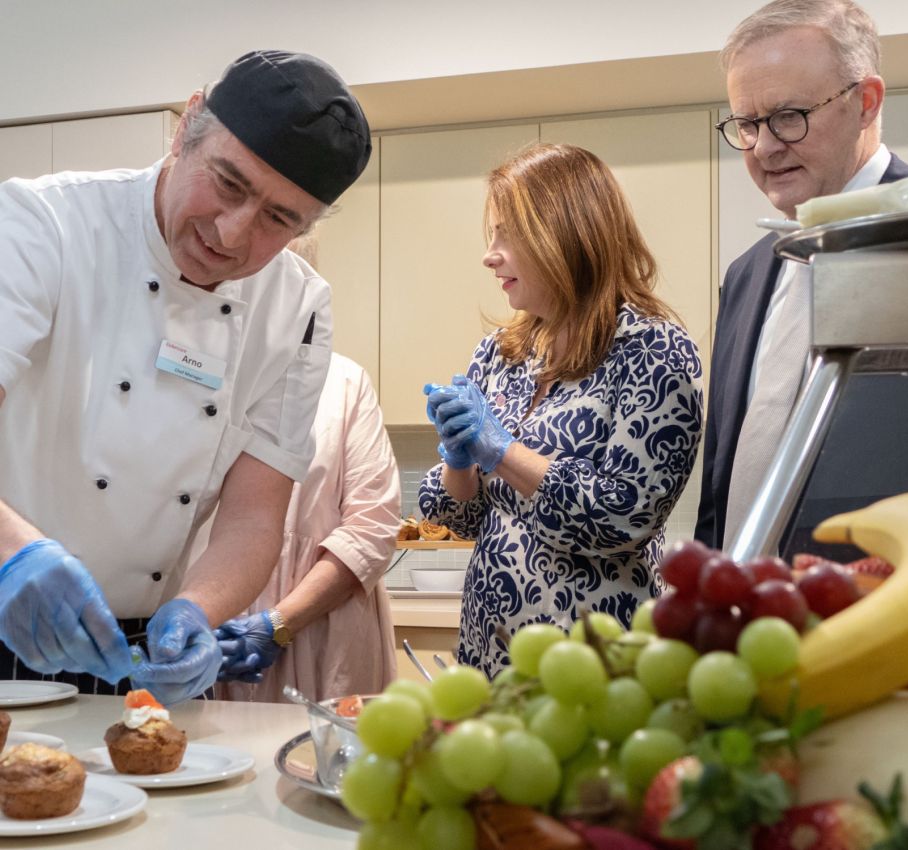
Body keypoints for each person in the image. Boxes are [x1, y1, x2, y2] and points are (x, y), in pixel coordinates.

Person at [0, 50, 371, 704]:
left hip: (142, 659)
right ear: (187, 127)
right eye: (228, 183)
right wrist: (13, 553)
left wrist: (199, 609)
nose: (231, 235)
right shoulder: (44, 226)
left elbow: (255, 516)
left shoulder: (299, 308)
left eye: (279, 220)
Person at [420, 142, 704, 678]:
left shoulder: (653, 349)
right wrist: (460, 459)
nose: (490, 254)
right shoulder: (503, 352)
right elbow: (457, 514)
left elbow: (622, 517)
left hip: (595, 664)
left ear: (565, 234)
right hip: (490, 651)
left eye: (508, 234)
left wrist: (502, 451)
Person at [695, 0, 908, 551]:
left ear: (866, 102)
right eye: (747, 124)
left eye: (789, 117)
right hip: (749, 619)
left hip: (887, 606)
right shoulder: (745, 276)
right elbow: (723, 478)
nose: (765, 147)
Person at [212, 236, 400, 702]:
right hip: (211, 629)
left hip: (322, 627)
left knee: (325, 764)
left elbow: (372, 529)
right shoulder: (198, 374)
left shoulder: (344, 382)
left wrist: (280, 624)